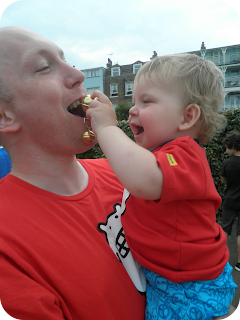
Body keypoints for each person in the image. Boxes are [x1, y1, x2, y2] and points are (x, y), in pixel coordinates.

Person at [0, 26, 145, 320]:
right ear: (4, 116)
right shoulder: (7, 247)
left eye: (66, 59)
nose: (77, 74)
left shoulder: (130, 176)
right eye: (44, 67)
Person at [86, 54, 237, 319]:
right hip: (172, 277)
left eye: (146, 101)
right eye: (134, 101)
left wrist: (108, 128)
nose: (132, 110)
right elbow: (131, 162)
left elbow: (142, 178)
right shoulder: (161, 154)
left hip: (188, 286)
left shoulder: (185, 153)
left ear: (187, 116)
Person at [221, 130, 240, 272]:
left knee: (224, 230)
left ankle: (221, 261)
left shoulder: (227, 162)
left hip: (230, 199)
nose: (226, 150)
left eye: (227, 147)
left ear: (233, 146)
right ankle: (239, 263)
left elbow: (222, 181)